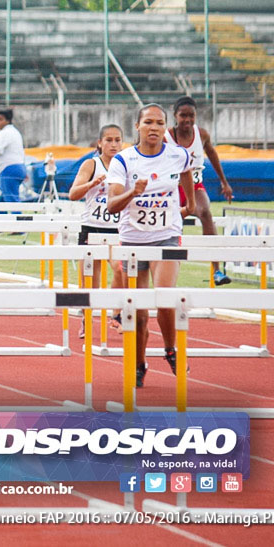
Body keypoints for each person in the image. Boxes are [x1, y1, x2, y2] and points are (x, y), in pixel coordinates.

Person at [106, 104, 195, 388]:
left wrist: (190, 203)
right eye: (148, 122)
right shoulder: (123, 161)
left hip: (166, 233)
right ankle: (139, 363)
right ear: (138, 126)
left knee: (166, 295)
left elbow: (186, 172)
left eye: (159, 122)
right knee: (140, 312)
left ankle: (171, 349)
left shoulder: (177, 154)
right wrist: (134, 191)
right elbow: (112, 205)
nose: (154, 127)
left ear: (164, 127)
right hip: (132, 240)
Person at [165, 96, 234, 285]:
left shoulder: (201, 134)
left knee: (205, 212)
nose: (187, 120)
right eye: (183, 116)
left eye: (191, 116)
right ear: (175, 116)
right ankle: (166, 268)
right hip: (171, 188)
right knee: (169, 224)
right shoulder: (166, 137)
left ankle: (217, 270)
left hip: (195, 186)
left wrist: (224, 182)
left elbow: (212, 154)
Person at [67, 124, 127, 338]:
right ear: (100, 143)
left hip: (116, 230)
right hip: (91, 228)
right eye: (109, 140)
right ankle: (86, 318)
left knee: (121, 270)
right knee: (89, 280)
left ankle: (116, 314)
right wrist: (93, 183)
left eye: (118, 140)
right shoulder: (91, 164)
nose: (113, 144)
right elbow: (73, 194)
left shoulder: (127, 164)